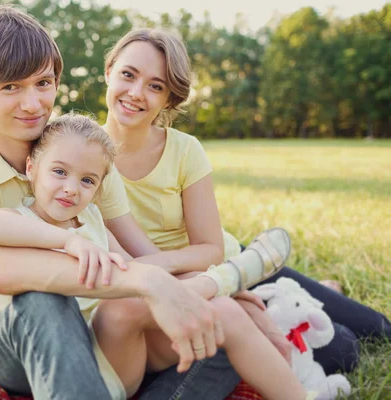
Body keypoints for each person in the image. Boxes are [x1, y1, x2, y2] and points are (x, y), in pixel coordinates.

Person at [0, 5, 244, 400]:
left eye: (42, 83)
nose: (32, 104)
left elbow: (136, 252)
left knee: (222, 335)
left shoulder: (82, 155)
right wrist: (143, 280)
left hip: (85, 317)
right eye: (11, 87)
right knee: (43, 299)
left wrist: (207, 288)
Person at [99, 27, 391, 376]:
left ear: (168, 99)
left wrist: (154, 267)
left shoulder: (184, 150)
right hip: (181, 290)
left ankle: (317, 290)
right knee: (340, 350)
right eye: (128, 75)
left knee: (379, 330)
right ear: (109, 71)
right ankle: (315, 292)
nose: (136, 93)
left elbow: (210, 249)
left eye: (155, 86)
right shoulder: (81, 153)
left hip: (235, 268)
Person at [0, 112, 316, 400]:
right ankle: (222, 279)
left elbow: (135, 269)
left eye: (87, 181)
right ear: (31, 168)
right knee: (120, 303)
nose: (71, 188)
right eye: (59, 172)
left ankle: (291, 387)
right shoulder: (22, 220)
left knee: (223, 311)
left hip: (124, 350)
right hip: (84, 368)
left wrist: (197, 287)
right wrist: (68, 242)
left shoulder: (92, 220)